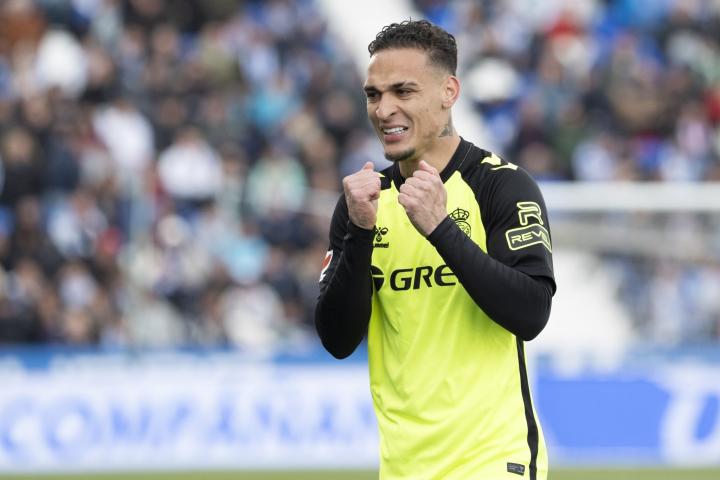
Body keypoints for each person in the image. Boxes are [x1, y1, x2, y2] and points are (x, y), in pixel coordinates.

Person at [315, 19, 556, 480]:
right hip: (403, 467)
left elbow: (531, 313)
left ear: (449, 92)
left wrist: (441, 229)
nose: (384, 109)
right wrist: (360, 232)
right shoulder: (363, 202)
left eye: (403, 91)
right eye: (373, 94)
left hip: (492, 460)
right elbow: (337, 340)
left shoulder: (501, 186)